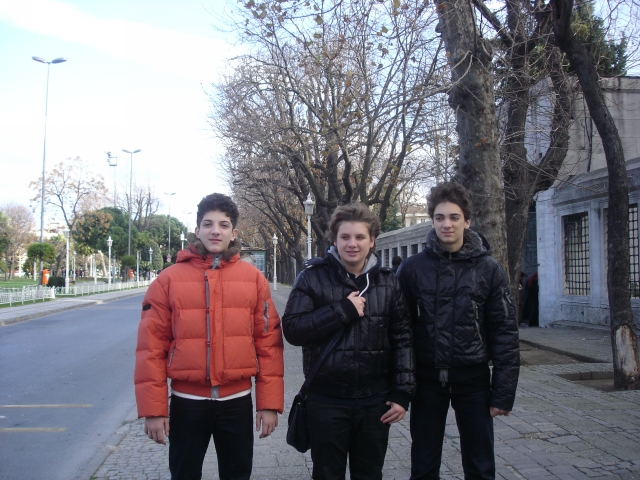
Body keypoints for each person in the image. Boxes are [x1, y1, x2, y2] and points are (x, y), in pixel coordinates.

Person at [134, 193, 284, 480]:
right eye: (208, 224)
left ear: (234, 232)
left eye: (223, 225)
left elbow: (269, 345)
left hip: (237, 402)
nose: (216, 231)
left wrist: (268, 404)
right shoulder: (168, 280)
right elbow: (150, 348)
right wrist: (154, 409)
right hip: (187, 403)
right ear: (197, 230)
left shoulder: (254, 279)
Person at [282, 202, 415, 480]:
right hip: (326, 401)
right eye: (345, 237)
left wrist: (402, 393)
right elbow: (293, 330)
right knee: (327, 474)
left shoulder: (389, 282)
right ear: (334, 239)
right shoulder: (311, 277)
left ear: (372, 241)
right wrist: (341, 311)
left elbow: (403, 339)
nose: (352, 244)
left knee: (369, 474)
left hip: (374, 402)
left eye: (360, 237)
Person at [397, 182, 519, 480]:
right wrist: (400, 387)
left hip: (474, 382)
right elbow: (400, 330)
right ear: (432, 221)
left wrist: (503, 393)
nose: (446, 224)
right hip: (427, 382)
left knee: (480, 466)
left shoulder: (488, 269)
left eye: (454, 217)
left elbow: (504, 331)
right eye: (439, 218)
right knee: (423, 466)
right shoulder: (412, 268)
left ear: (467, 221)